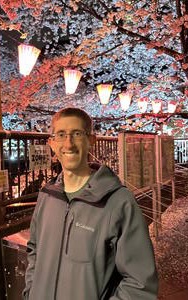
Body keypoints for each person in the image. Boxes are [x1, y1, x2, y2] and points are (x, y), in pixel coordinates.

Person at [23, 107, 158, 300]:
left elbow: (140, 283)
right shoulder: (47, 197)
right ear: (52, 143)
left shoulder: (117, 202)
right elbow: (34, 251)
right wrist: (30, 292)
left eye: (77, 134)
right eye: (61, 134)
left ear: (91, 141)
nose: (68, 144)